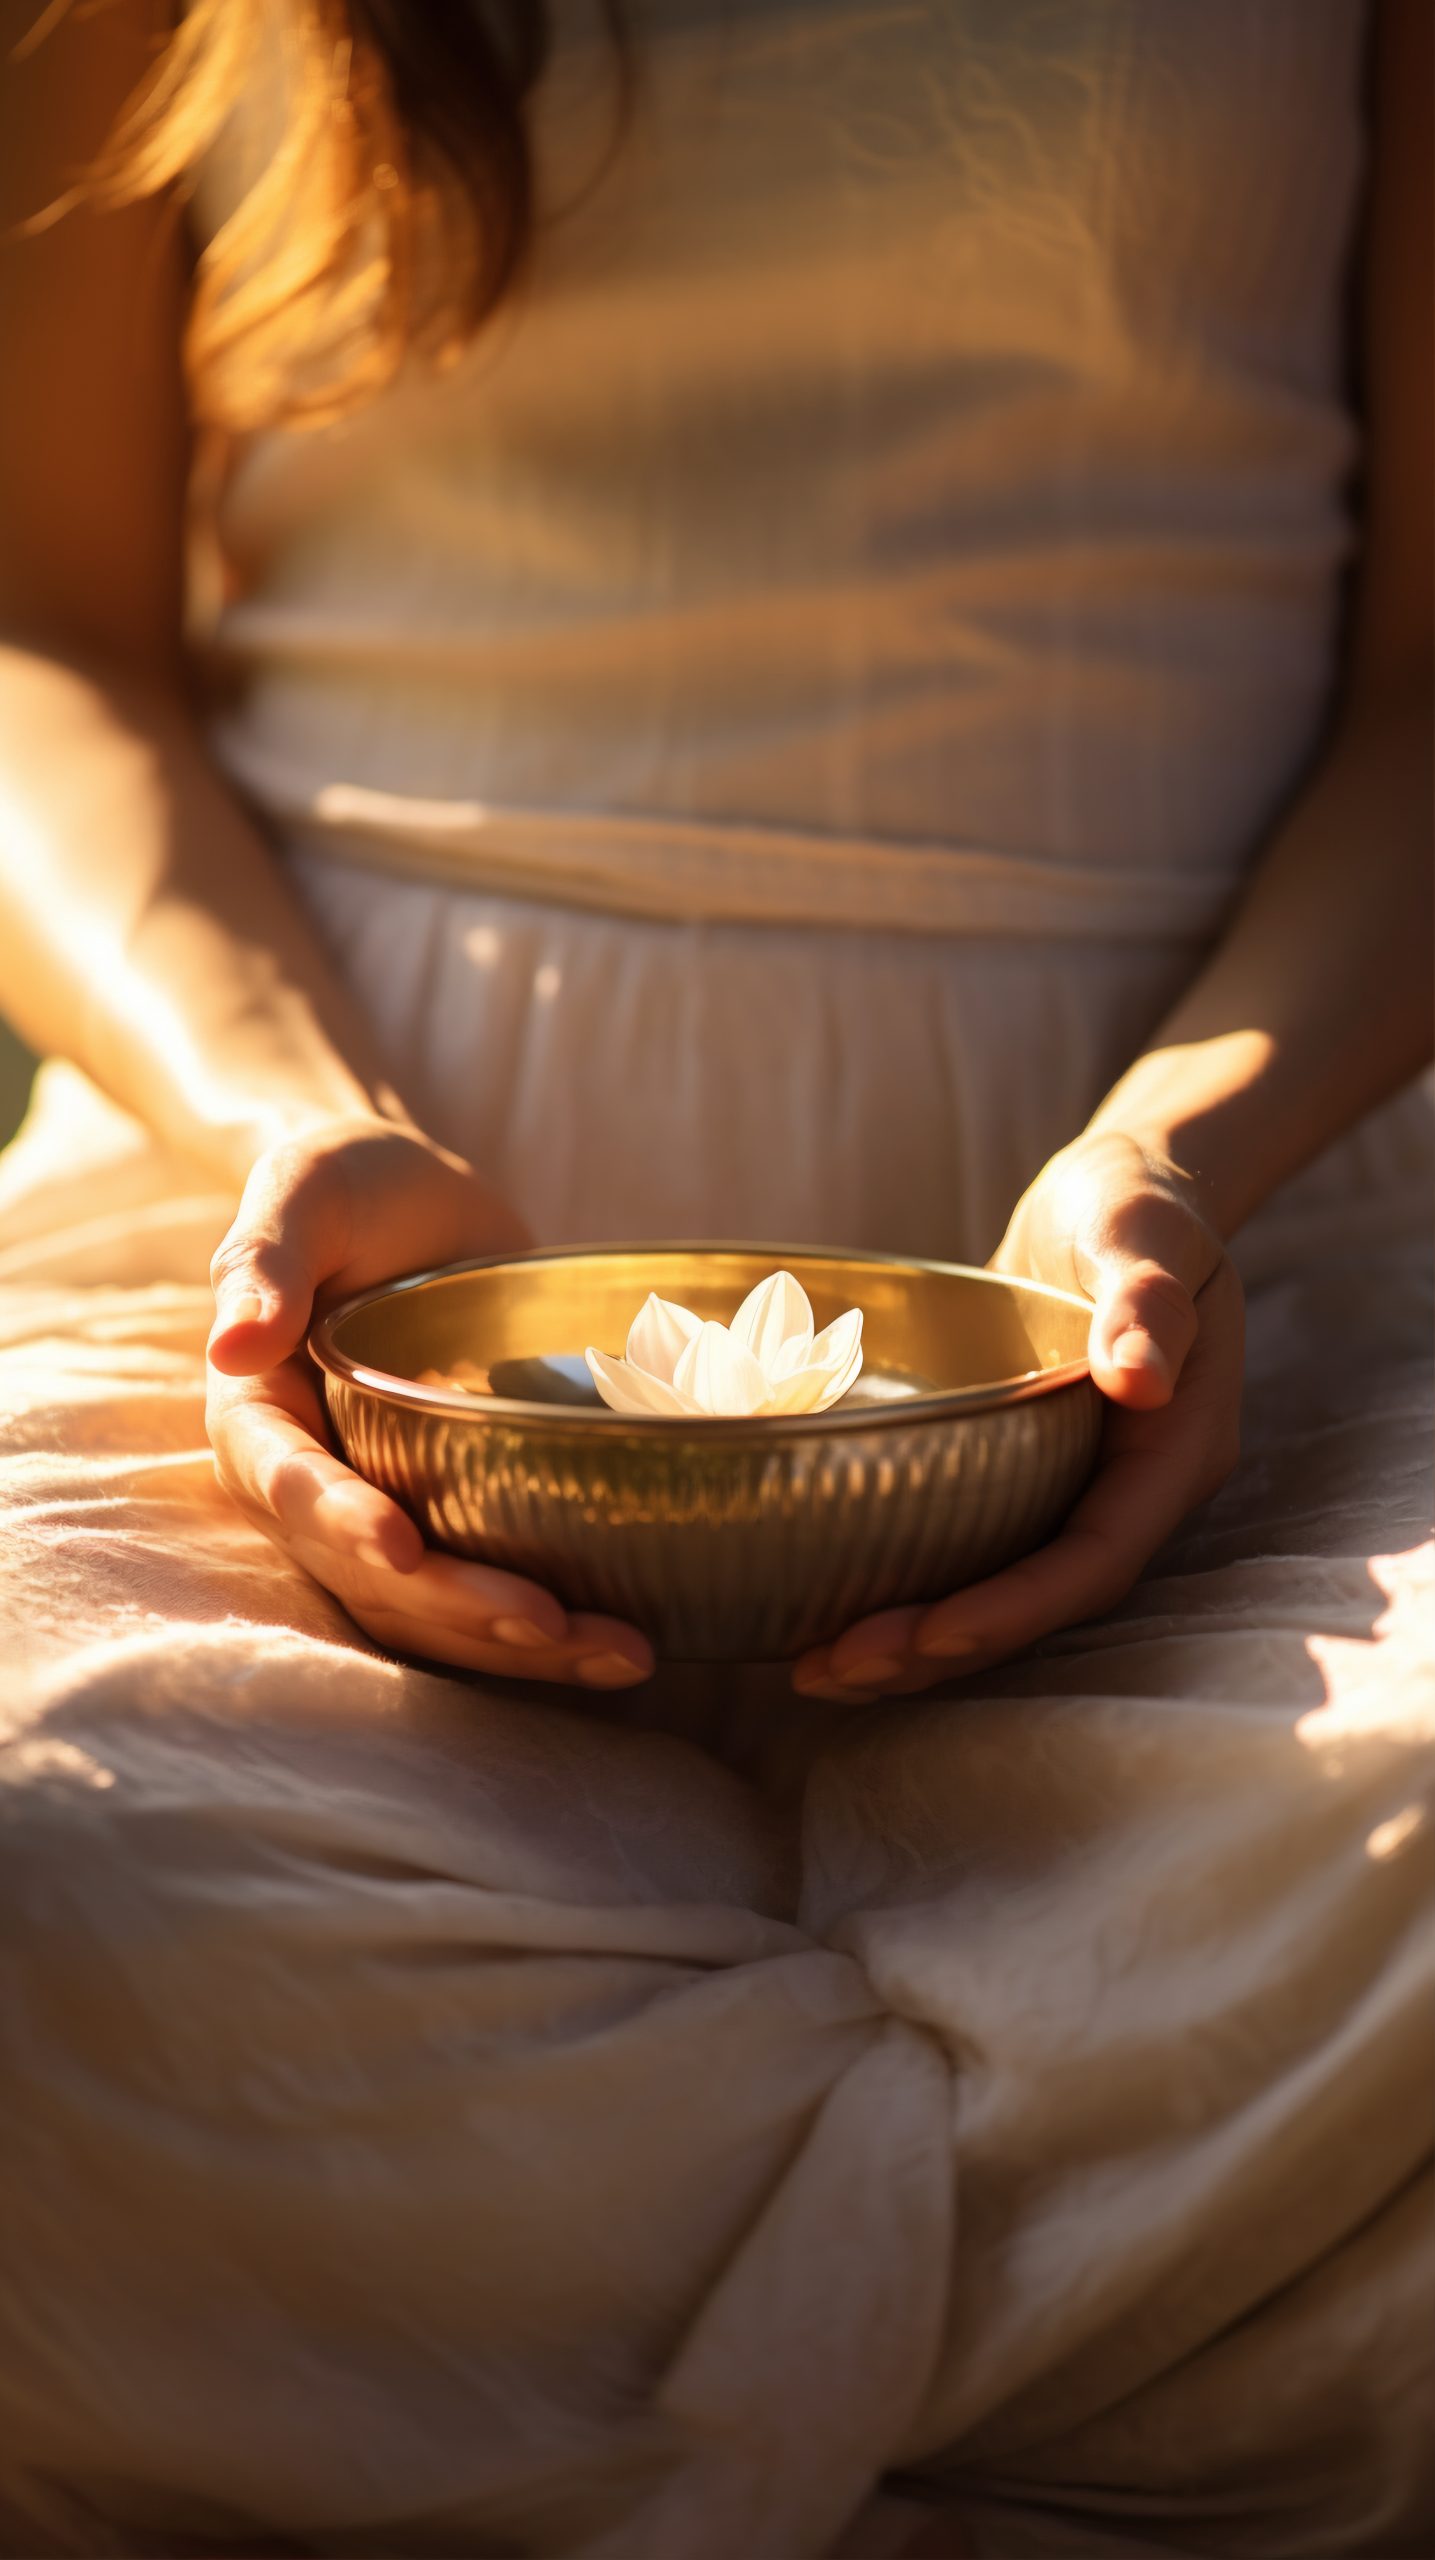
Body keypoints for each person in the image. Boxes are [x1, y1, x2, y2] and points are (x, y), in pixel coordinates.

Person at [0, 1, 1430, 2552]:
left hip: (1236, 1215)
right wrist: (279, 1125)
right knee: (52, 1852)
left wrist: (1178, 1157)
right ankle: (1087, 2336)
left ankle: (469, 2356)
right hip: (307, 1193)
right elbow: (40, 628)